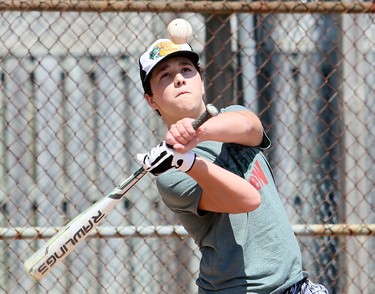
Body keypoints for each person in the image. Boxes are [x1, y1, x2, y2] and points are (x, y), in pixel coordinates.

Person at [136, 39, 329, 294]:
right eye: (165, 75)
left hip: (295, 284)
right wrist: (187, 162)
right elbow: (247, 199)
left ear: (201, 82)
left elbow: (251, 128)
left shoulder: (233, 116)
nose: (180, 79)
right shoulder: (171, 176)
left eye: (186, 69)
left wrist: (198, 133)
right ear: (152, 100)